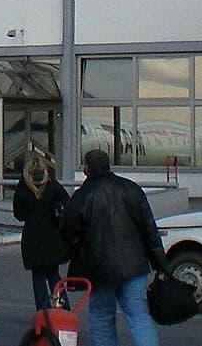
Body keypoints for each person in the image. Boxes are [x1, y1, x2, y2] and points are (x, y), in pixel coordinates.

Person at [62, 148, 166, 346]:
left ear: (87, 169)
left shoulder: (82, 196)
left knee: (102, 316)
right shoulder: (130, 188)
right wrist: (161, 264)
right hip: (134, 264)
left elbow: (69, 231)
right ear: (108, 165)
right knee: (138, 314)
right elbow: (148, 228)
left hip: (99, 268)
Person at [13, 152, 72, 311]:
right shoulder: (54, 187)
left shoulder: (23, 188)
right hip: (53, 236)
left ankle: (43, 311)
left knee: (38, 277)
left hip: (33, 238)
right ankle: (63, 308)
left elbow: (19, 215)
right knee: (53, 275)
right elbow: (67, 205)